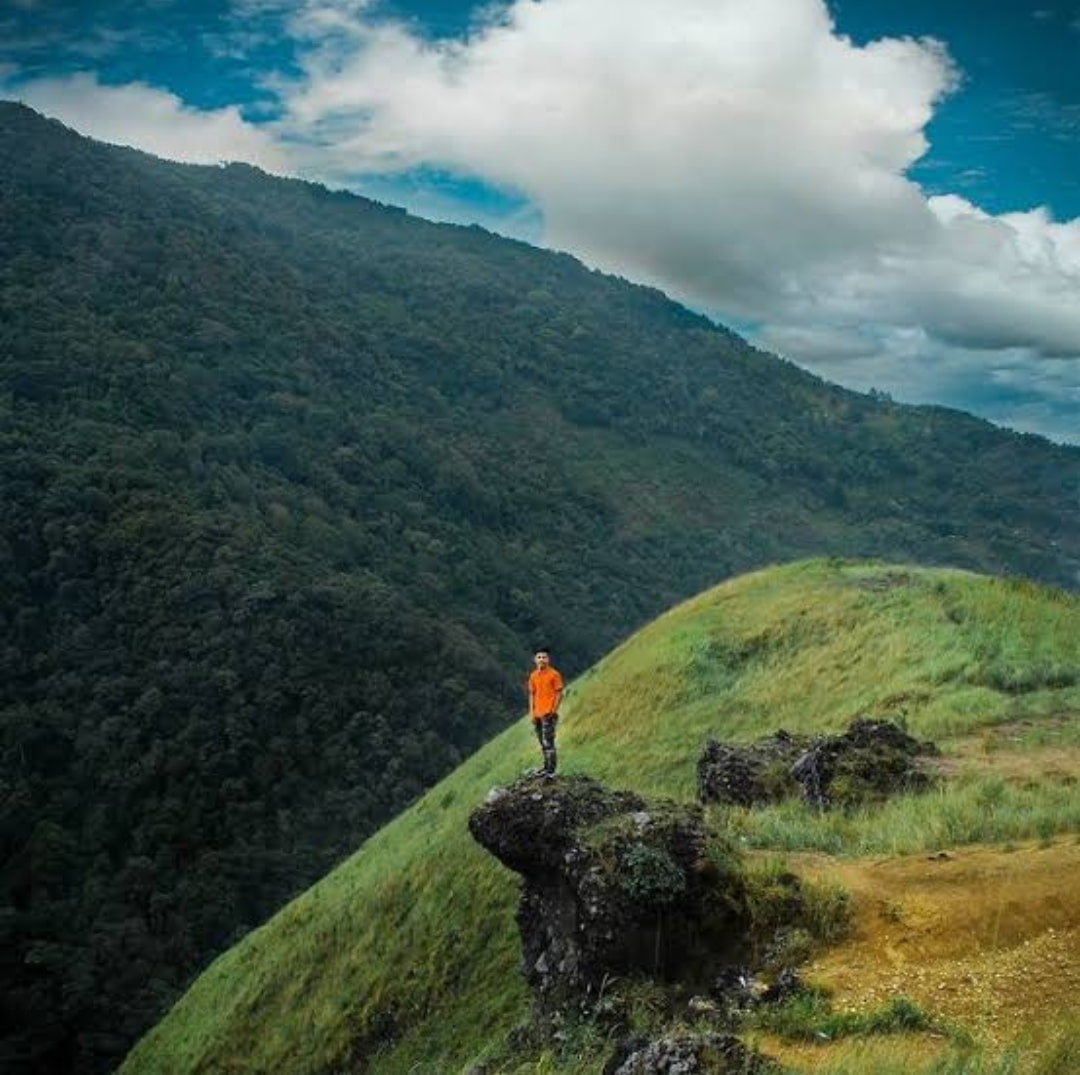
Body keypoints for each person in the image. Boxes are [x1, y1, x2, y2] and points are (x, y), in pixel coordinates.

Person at [527, 649, 563, 777]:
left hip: (548, 713)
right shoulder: (533, 676)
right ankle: (546, 766)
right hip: (537, 714)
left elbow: (559, 693)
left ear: (548, 659)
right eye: (539, 657)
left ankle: (551, 770)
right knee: (542, 742)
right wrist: (532, 712)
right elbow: (532, 694)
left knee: (549, 742)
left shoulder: (554, 674)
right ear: (535, 660)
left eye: (544, 657)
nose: (541, 659)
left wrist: (553, 710)